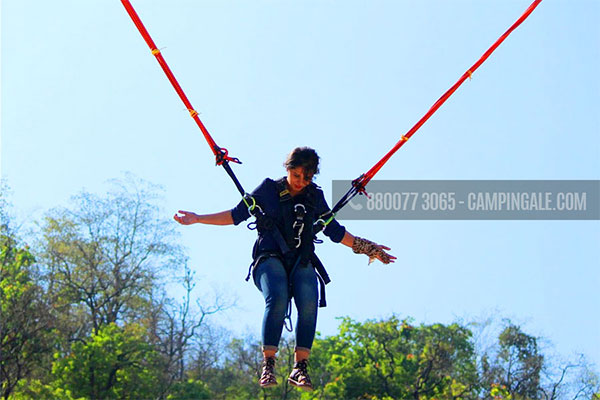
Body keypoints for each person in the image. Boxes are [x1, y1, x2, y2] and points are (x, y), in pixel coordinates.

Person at [174, 147, 395, 391]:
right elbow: (236, 215)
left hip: (301, 260)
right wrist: (198, 218)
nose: (301, 182)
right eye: (297, 175)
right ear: (288, 169)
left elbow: (336, 232)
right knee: (277, 295)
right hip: (269, 258)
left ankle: (300, 367)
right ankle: (269, 362)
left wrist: (368, 248)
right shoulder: (269, 189)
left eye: (307, 178)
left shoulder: (314, 197)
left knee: (309, 301)